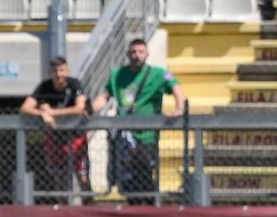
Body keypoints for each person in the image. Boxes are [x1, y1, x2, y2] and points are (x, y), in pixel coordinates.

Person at [89, 38, 186, 205]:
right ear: (128, 54)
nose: (136, 55)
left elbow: (176, 88)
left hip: (146, 135)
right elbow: (105, 96)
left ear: (147, 54)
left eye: (140, 52)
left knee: (144, 171)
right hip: (124, 135)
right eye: (133, 52)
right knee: (126, 176)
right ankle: (133, 207)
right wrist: (88, 110)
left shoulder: (159, 73)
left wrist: (180, 108)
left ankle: (147, 208)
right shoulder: (118, 74)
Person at [19, 57, 90, 199]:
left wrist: (51, 112)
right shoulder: (45, 86)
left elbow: (79, 108)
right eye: (55, 71)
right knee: (59, 177)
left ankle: (89, 203)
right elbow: (25, 108)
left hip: (75, 136)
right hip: (55, 137)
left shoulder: (74, 84)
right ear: (50, 73)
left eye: (62, 70)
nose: (59, 74)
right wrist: (42, 113)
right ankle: (62, 208)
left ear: (68, 71)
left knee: (83, 176)